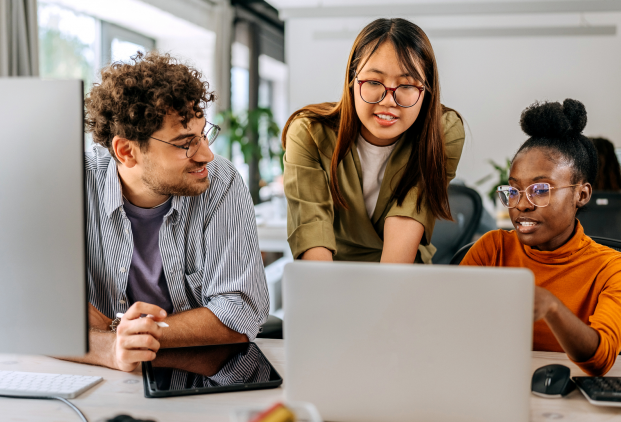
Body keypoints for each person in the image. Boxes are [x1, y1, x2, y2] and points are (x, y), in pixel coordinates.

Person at [61, 52, 269, 372]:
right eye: (186, 143)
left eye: (204, 134)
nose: (207, 155)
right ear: (126, 152)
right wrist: (108, 349)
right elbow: (30, 311)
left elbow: (239, 313)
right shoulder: (71, 181)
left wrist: (125, 334)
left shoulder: (221, 183)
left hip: (197, 375)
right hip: (95, 373)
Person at [460, 99, 621, 376]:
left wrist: (552, 307)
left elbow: (600, 360)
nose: (521, 204)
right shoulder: (493, 248)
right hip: (492, 379)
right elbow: (452, 324)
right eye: (514, 190)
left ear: (581, 194)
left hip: (572, 394)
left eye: (541, 189)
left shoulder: (616, 269)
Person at [282, 18, 465, 264]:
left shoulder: (443, 131)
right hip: (333, 274)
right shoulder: (309, 131)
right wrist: (325, 296)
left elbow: (407, 218)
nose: (388, 100)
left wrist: (379, 299)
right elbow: (311, 229)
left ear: (427, 90)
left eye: (407, 85)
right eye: (373, 82)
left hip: (402, 275)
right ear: (352, 81)